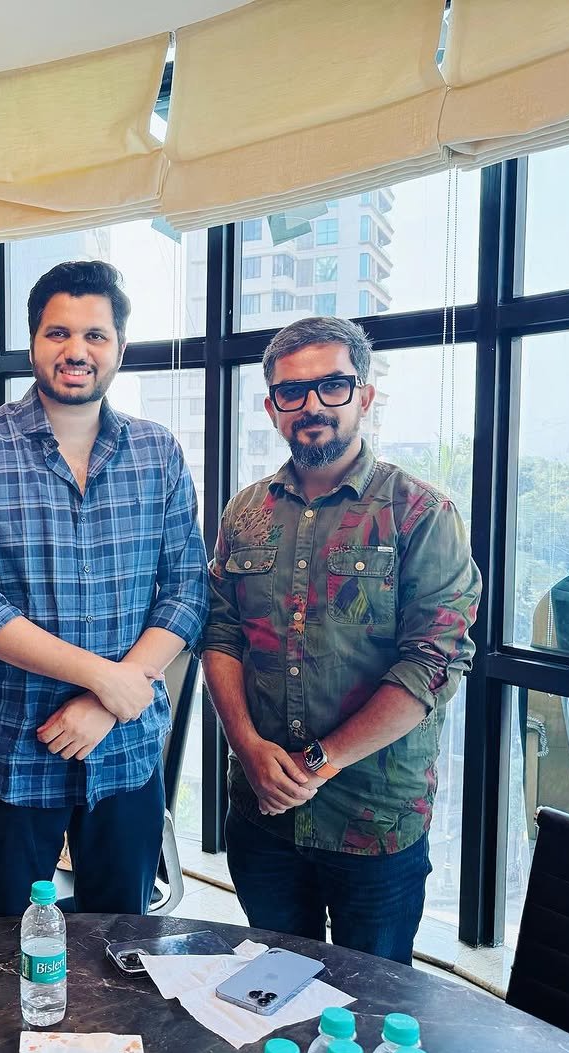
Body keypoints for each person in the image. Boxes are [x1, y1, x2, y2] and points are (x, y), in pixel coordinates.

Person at [0, 260, 208, 918]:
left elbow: (189, 588)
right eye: (58, 333)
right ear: (33, 342)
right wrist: (105, 679)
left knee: (124, 946)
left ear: (118, 348)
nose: (76, 351)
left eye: (95, 335)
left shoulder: (156, 452)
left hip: (126, 749)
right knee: (8, 951)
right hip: (13, 751)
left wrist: (111, 700)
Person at [201, 316, 480, 965]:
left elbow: (433, 666)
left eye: (333, 386)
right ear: (272, 407)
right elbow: (220, 633)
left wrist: (318, 763)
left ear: (364, 395)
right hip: (260, 814)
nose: (313, 406)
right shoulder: (244, 513)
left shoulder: (421, 513)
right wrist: (246, 748)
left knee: (370, 1010)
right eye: (292, 392)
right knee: (271, 991)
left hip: (373, 823)